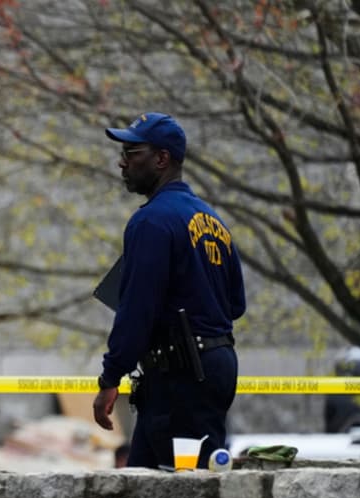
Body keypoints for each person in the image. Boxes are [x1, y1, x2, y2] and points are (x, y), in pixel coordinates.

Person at [92, 113, 245, 469]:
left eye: (133, 152)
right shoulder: (213, 220)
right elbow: (235, 304)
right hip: (209, 365)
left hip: (181, 376)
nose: (122, 161)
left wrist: (110, 378)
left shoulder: (151, 221)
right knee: (139, 488)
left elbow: (136, 311)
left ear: (161, 159)